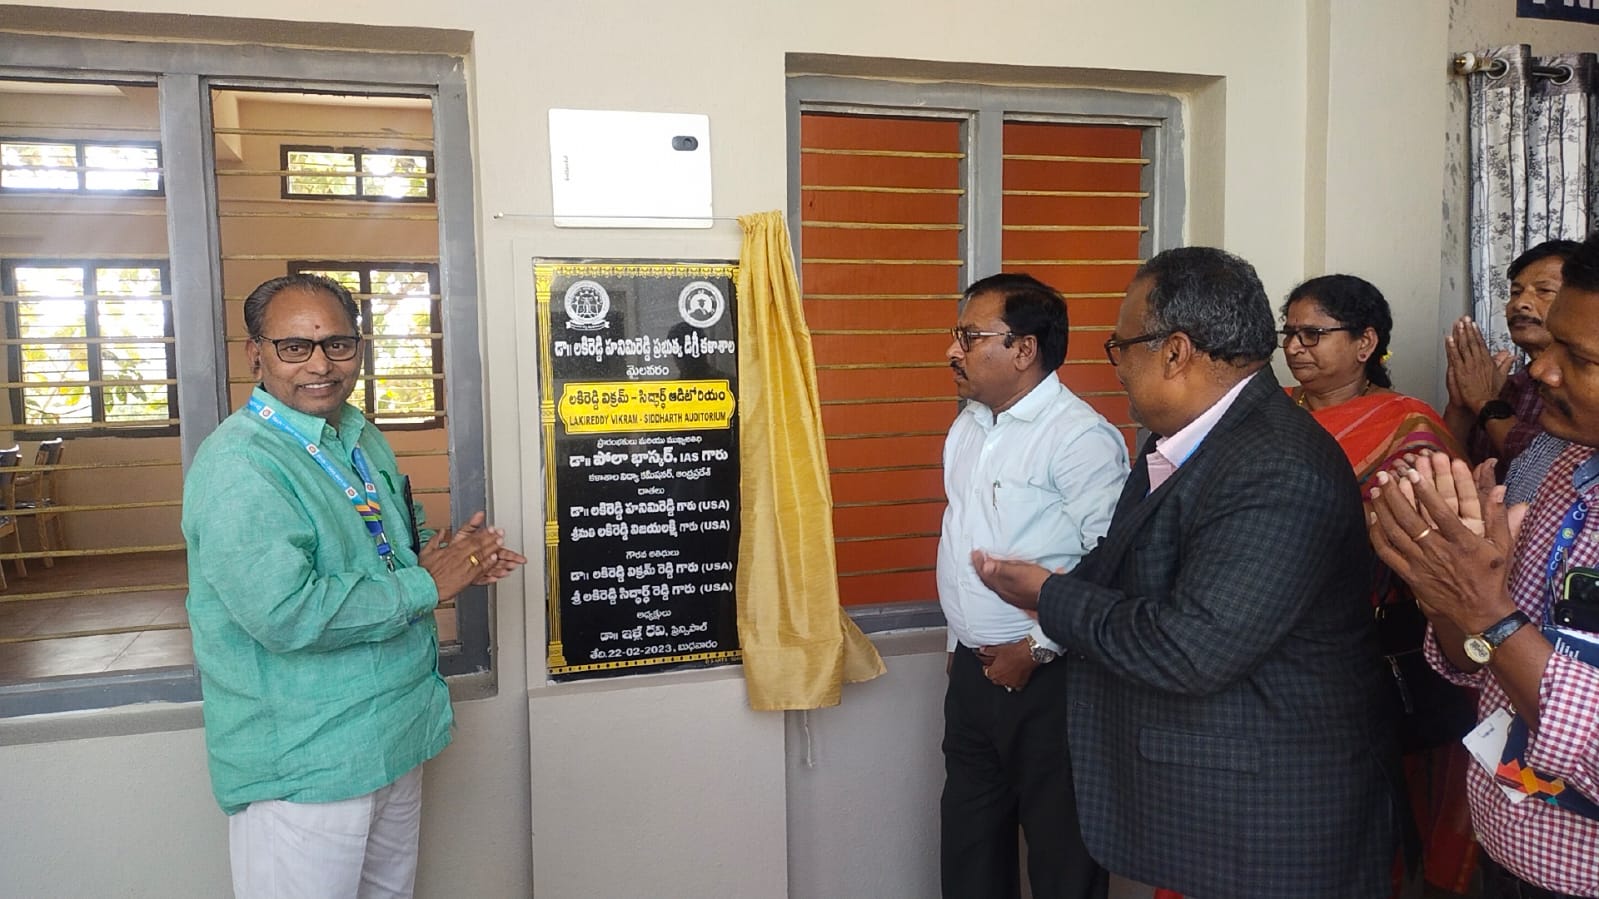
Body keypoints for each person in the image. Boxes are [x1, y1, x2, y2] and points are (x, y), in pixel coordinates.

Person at [971, 247, 1401, 898]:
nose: (1113, 367)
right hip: (1219, 813)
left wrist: (1048, 595)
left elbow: (1192, 647)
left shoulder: (1275, 466)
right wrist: (1037, 584)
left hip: (1274, 824)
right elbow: (1122, 559)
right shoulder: (1179, 443)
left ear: (1174, 351)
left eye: (1120, 347)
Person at [183, 274, 526, 899]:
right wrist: (430, 583)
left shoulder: (356, 433)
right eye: (295, 347)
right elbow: (286, 613)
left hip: (391, 735)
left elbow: (385, 544)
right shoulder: (241, 466)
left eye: (338, 345)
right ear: (255, 354)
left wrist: (452, 558)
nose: (320, 365)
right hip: (308, 758)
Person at [1368, 230, 1599, 899]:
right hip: (1506, 846)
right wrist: (1445, 593)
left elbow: (1494, 630)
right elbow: (1473, 659)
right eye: (1548, 343)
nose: (1539, 371)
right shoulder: (1557, 471)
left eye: (1577, 357)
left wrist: (1488, 616)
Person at [1282, 274, 1477, 895]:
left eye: (1314, 333)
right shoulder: (1270, 411)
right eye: (1289, 333)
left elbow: (1441, 545)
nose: (1296, 347)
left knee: (1363, 813)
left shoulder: (1408, 427)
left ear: (1366, 342)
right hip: (1264, 640)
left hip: (1362, 651)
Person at [936, 273, 1128, 899]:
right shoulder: (968, 426)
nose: (952, 351)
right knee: (969, 845)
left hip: (1051, 679)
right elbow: (963, 534)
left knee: (1061, 854)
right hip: (974, 674)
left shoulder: (1080, 438)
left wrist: (1038, 648)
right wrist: (957, 643)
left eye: (969, 336)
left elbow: (1111, 565)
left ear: (1023, 349)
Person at [1445, 240, 1582, 484]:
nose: (1520, 304)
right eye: (1515, 292)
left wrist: (1485, 402)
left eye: (1544, 291)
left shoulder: (1586, 388)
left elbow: (1555, 466)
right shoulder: (1508, 386)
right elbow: (1450, 466)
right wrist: (1462, 404)